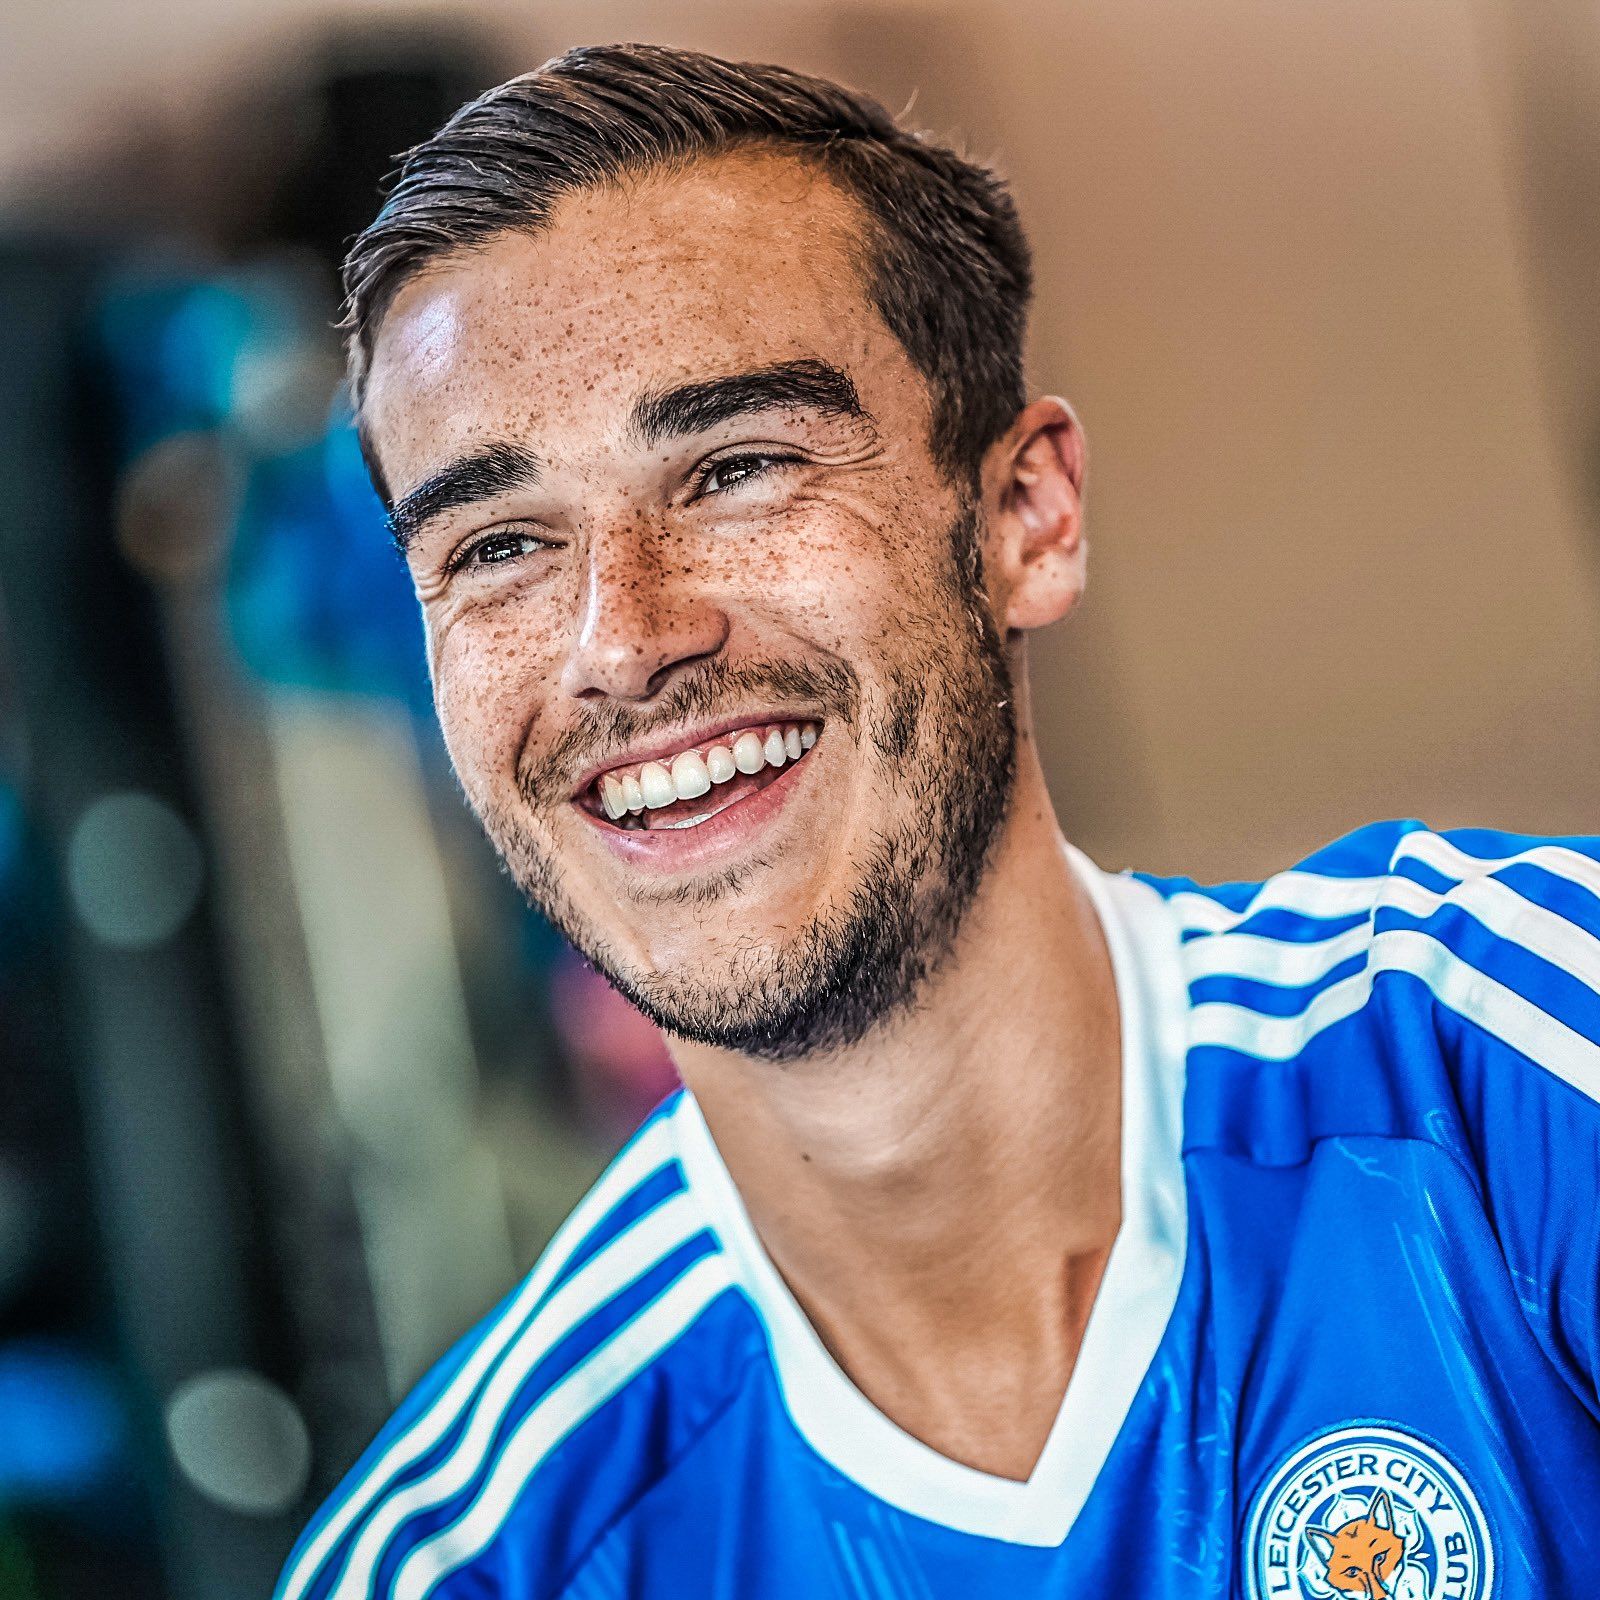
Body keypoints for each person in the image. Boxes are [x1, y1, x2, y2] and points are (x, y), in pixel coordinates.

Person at [275, 42, 1599, 1600]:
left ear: (1024, 519)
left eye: (738, 467)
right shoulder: (476, 1559)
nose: (617, 640)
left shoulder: (1509, 1060)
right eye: (496, 545)